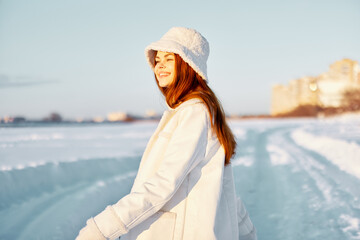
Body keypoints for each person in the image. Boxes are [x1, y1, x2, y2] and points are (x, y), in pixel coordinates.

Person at [76, 27, 256, 240]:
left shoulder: (194, 112)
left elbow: (163, 183)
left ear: (189, 65)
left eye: (169, 59)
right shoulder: (196, 110)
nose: (159, 65)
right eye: (158, 59)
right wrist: (247, 231)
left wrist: (102, 228)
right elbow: (220, 184)